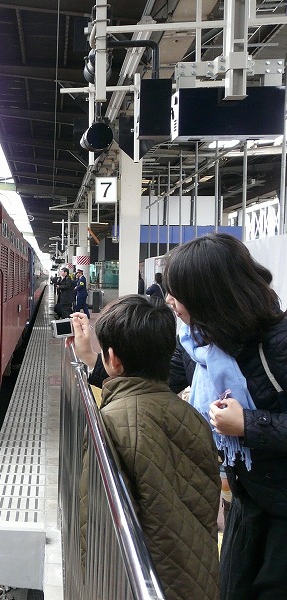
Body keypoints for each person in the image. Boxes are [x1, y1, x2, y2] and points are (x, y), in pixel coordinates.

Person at [71, 233, 287, 600]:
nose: (170, 301)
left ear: (209, 295)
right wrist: (94, 357)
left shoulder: (278, 344)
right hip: (249, 498)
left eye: (178, 293)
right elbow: (150, 378)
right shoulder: (199, 342)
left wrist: (249, 425)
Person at [84, 295, 221, 600]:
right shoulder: (192, 417)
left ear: (112, 359)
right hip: (200, 578)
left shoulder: (110, 423)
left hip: (146, 585)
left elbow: (96, 524)